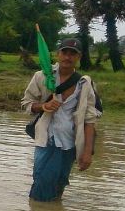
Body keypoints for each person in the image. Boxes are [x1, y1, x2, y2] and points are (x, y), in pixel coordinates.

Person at [21, 38, 101, 201]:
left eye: (73, 53)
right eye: (64, 52)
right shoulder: (42, 76)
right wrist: (43, 106)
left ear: (79, 57)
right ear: (58, 54)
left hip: (70, 142)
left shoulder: (84, 83)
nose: (68, 57)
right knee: (42, 179)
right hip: (46, 139)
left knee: (60, 182)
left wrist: (87, 152)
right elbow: (26, 103)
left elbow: (89, 119)